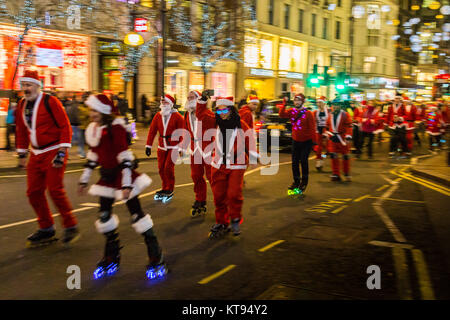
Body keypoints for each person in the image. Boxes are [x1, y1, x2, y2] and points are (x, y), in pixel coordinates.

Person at [78, 94, 166, 279]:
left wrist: (126, 185)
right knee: (104, 217)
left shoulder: (116, 128)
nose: (92, 113)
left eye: (95, 110)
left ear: (103, 111)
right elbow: (94, 155)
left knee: (137, 215)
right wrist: (84, 179)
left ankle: (155, 254)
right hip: (107, 178)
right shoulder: (94, 129)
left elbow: (124, 156)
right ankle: (112, 254)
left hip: (123, 177)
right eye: (91, 110)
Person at [15, 70, 79, 246]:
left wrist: (62, 152)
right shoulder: (21, 104)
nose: (25, 89)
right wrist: (21, 153)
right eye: (23, 86)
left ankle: (70, 225)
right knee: (33, 192)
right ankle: (46, 228)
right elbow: (21, 130)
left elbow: (65, 126)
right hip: (35, 154)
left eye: (28, 85)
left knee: (54, 190)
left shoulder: (51, 101)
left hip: (53, 151)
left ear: (37, 86)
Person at [196, 93, 258, 238]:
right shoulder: (215, 122)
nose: (222, 114)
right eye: (219, 110)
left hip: (237, 164)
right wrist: (203, 101)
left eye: (225, 110)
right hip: (218, 165)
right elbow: (200, 115)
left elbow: (250, 138)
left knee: (233, 194)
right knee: (218, 196)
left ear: (231, 110)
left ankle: (235, 218)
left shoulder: (240, 124)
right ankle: (221, 222)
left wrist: (254, 157)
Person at [145, 94, 184, 203]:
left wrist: (181, 147)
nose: (163, 104)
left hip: (174, 146)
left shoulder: (177, 117)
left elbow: (182, 132)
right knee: (161, 168)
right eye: (162, 102)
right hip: (161, 146)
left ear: (171, 104)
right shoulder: (158, 116)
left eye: (166, 102)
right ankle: (165, 187)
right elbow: (152, 131)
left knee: (168, 168)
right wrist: (148, 145)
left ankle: (170, 188)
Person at [180, 90, 213, 217]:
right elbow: (186, 131)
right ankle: (200, 199)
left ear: (198, 99)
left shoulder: (207, 113)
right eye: (188, 97)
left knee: (212, 178)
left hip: (208, 149)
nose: (189, 99)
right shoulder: (187, 115)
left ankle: (221, 202)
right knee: (196, 176)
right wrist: (182, 147)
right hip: (195, 149)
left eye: (192, 97)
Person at [279, 93, 316, 193]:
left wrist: (315, 143)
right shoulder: (292, 111)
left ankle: (304, 182)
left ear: (302, 101)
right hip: (295, 141)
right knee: (294, 162)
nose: (297, 102)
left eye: (299, 100)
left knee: (303, 161)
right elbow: (281, 115)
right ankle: (296, 181)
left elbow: (312, 128)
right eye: (295, 100)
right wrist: (284, 104)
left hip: (306, 142)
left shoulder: (308, 113)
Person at [324, 99, 353, 182]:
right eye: (334, 105)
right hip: (333, 139)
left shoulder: (345, 114)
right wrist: (326, 134)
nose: (336, 106)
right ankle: (336, 173)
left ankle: (346, 172)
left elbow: (349, 126)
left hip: (343, 138)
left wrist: (348, 136)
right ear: (332, 106)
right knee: (333, 156)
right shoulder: (330, 115)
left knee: (345, 156)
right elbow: (327, 126)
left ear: (340, 106)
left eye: (337, 104)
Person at [312, 96, 329, 171]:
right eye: (318, 102)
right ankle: (319, 161)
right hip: (318, 130)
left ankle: (323, 158)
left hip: (327, 130)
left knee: (327, 148)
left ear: (324, 103)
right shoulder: (315, 112)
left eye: (320, 102)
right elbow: (313, 121)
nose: (318, 104)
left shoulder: (329, 111)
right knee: (319, 147)